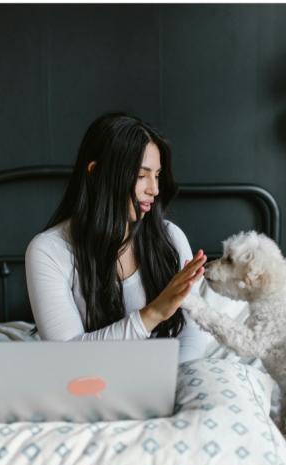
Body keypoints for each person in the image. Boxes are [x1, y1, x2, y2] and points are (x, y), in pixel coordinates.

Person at [25, 111, 211, 362]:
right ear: (96, 174)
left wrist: (176, 375)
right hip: (89, 377)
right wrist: (153, 313)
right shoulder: (48, 250)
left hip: (166, 374)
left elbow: (193, 328)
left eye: (157, 175)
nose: (155, 189)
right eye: (142, 176)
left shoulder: (170, 238)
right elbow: (67, 355)